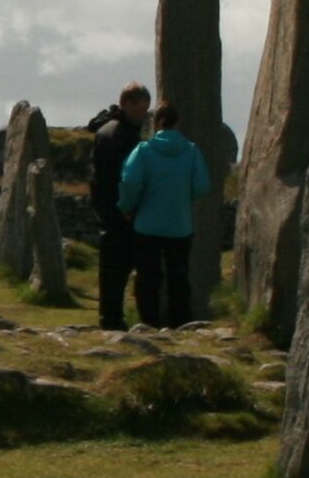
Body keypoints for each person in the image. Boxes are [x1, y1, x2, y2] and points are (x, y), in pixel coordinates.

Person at [116, 98, 215, 328]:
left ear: (156, 122)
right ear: (176, 123)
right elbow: (202, 185)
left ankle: (148, 322)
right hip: (180, 224)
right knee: (178, 277)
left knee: (148, 277)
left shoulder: (144, 150)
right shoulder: (191, 151)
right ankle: (180, 322)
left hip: (147, 224)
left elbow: (130, 181)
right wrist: (182, 198)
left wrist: (127, 207)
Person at [81, 84, 151, 329]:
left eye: (146, 108)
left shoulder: (111, 131)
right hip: (119, 211)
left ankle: (112, 316)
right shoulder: (120, 135)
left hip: (110, 209)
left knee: (114, 268)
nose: (143, 112)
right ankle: (113, 319)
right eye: (139, 107)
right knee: (118, 267)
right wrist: (127, 207)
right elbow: (117, 177)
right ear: (126, 104)